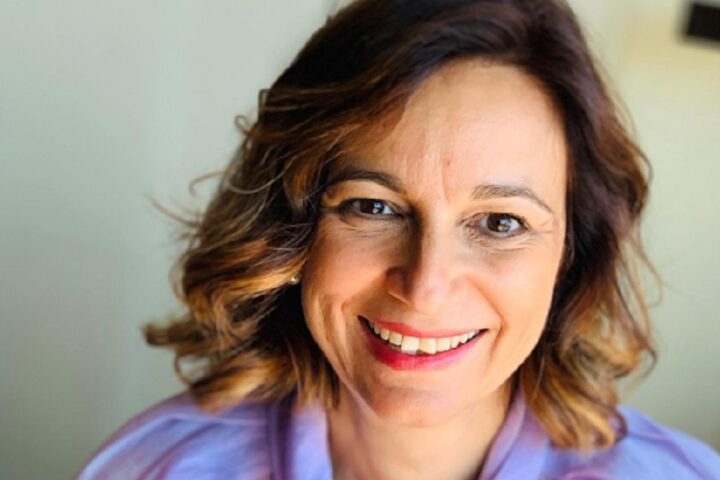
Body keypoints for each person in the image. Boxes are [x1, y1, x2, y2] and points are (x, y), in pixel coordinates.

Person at [77, 0, 720, 478]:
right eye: (373, 207)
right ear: (292, 230)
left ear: (570, 256)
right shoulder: (155, 468)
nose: (425, 286)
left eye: (500, 222)